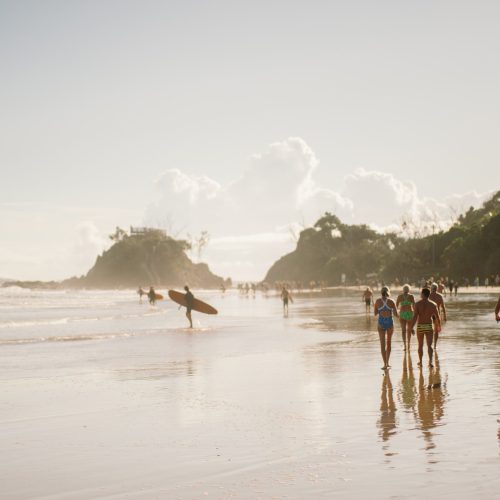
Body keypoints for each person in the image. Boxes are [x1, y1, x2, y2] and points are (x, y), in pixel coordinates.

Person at [410, 288, 441, 368]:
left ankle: (420, 361)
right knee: (429, 345)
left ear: (423, 294)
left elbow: (415, 317)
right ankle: (430, 362)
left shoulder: (417, 304)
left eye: (421, 293)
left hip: (420, 326)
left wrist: (411, 327)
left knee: (420, 345)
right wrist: (438, 326)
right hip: (429, 326)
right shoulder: (433, 304)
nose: (420, 294)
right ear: (429, 294)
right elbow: (437, 317)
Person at [374, 286, 398, 370]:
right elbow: (395, 314)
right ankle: (388, 362)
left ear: (381, 292)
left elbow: (375, 313)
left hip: (381, 323)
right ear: (388, 292)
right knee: (389, 343)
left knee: (382, 344)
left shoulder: (377, 301)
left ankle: (384, 364)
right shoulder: (391, 301)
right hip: (389, 323)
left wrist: (381, 310)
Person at [396, 285, 415, 349]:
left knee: (403, 330)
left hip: (402, 314)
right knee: (408, 330)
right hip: (409, 313)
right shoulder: (411, 296)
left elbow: (395, 306)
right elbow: (414, 306)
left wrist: (396, 314)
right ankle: (408, 344)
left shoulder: (400, 296)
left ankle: (405, 345)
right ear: (408, 290)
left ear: (403, 290)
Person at [430, 283, 447, 348]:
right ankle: (434, 345)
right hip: (437, 315)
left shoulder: (428, 295)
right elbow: (443, 307)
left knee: (430, 330)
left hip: (429, 315)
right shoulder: (440, 296)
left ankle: (430, 343)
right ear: (437, 289)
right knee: (436, 330)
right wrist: (445, 316)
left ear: (431, 288)